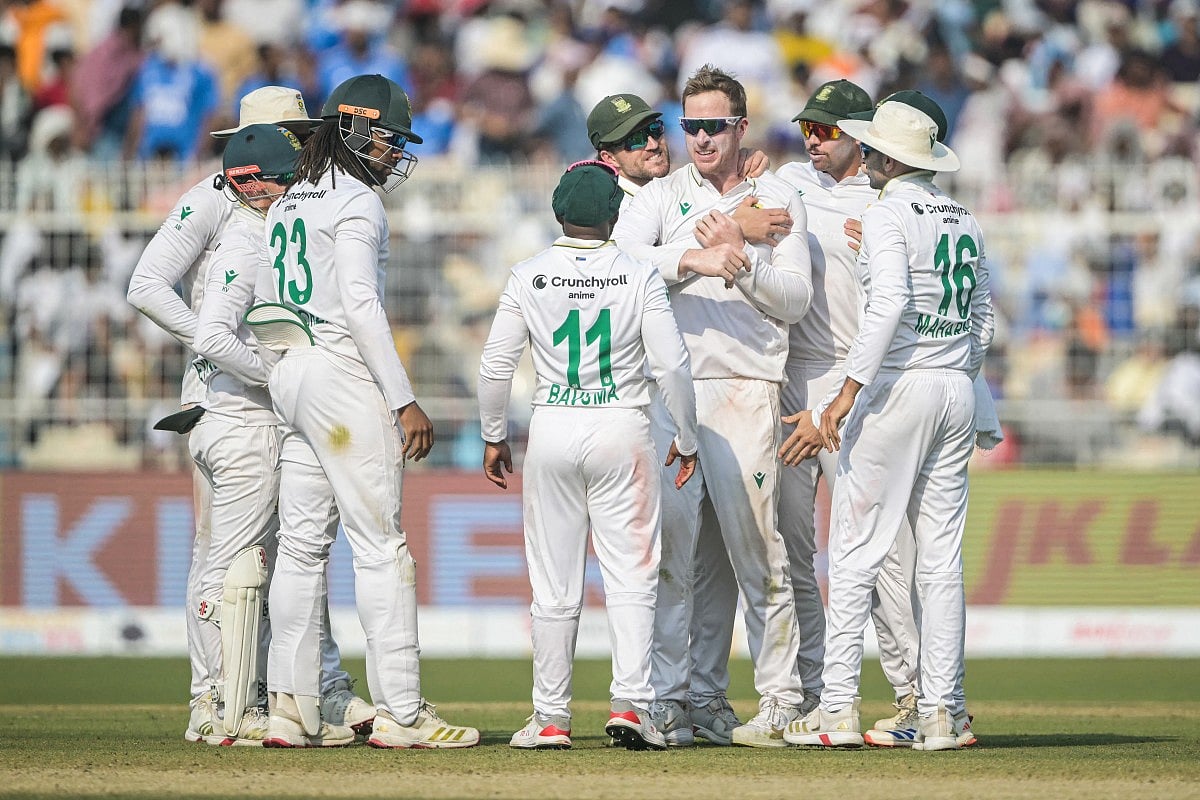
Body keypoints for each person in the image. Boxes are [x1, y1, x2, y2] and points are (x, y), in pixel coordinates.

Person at [126, 86, 371, 746]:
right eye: (290, 132)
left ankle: (313, 686)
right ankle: (217, 697)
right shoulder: (216, 197)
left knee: (295, 552)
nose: (301, 142)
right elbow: (146, 286)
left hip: (265, 403)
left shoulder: (298, 195)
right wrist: (225, 356)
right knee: (232, 557)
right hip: (236, 405)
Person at [257, 73, 478, 749]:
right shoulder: (356, 200)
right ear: (353, 127)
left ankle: (290, 712)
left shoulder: (289, 200)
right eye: (386, 137)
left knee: (299, 551)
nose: (392, 154)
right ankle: (402, 714)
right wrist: (403, 397)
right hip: (342, 376)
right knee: (381, 547)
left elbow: (266, 308)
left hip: (289, 370)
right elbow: (361, 304)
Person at [778, 88, 993, 749]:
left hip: (897, 385)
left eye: (871, 146)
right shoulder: (963, 217)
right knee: (940, 563)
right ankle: (941, 713)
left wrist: (846, 395)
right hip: (956, 385)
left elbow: (890, 302)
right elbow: (984, 320)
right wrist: (954, 367)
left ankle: (838, 708)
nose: (863, 152)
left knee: (855, 550)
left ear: (891, 158)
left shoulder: (887, 213)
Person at [612, 64, 813, 748]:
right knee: (673, 559)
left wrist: (744, 258)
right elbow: (619, 260)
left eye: (713, 126)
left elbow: (796, 301)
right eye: (689, 125)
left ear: (741, 128)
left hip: (747, 389)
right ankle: (676, 699)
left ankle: (780, 699)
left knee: (755, 555)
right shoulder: (663, 195)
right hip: (669, 396)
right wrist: (706, 247)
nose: (698, 138)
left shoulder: (779, 196)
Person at [478, 161, 699, 751]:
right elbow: (672, 365)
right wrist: (687, 435)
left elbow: (496, 365)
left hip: (552, 424)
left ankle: (550, 717)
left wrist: (493, 434)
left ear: (557, 214)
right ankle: (632, 705)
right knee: (632, 575)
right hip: (622, 427)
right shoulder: (637, 275)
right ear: (617, 214)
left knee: (553, 584)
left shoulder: (529, 274)